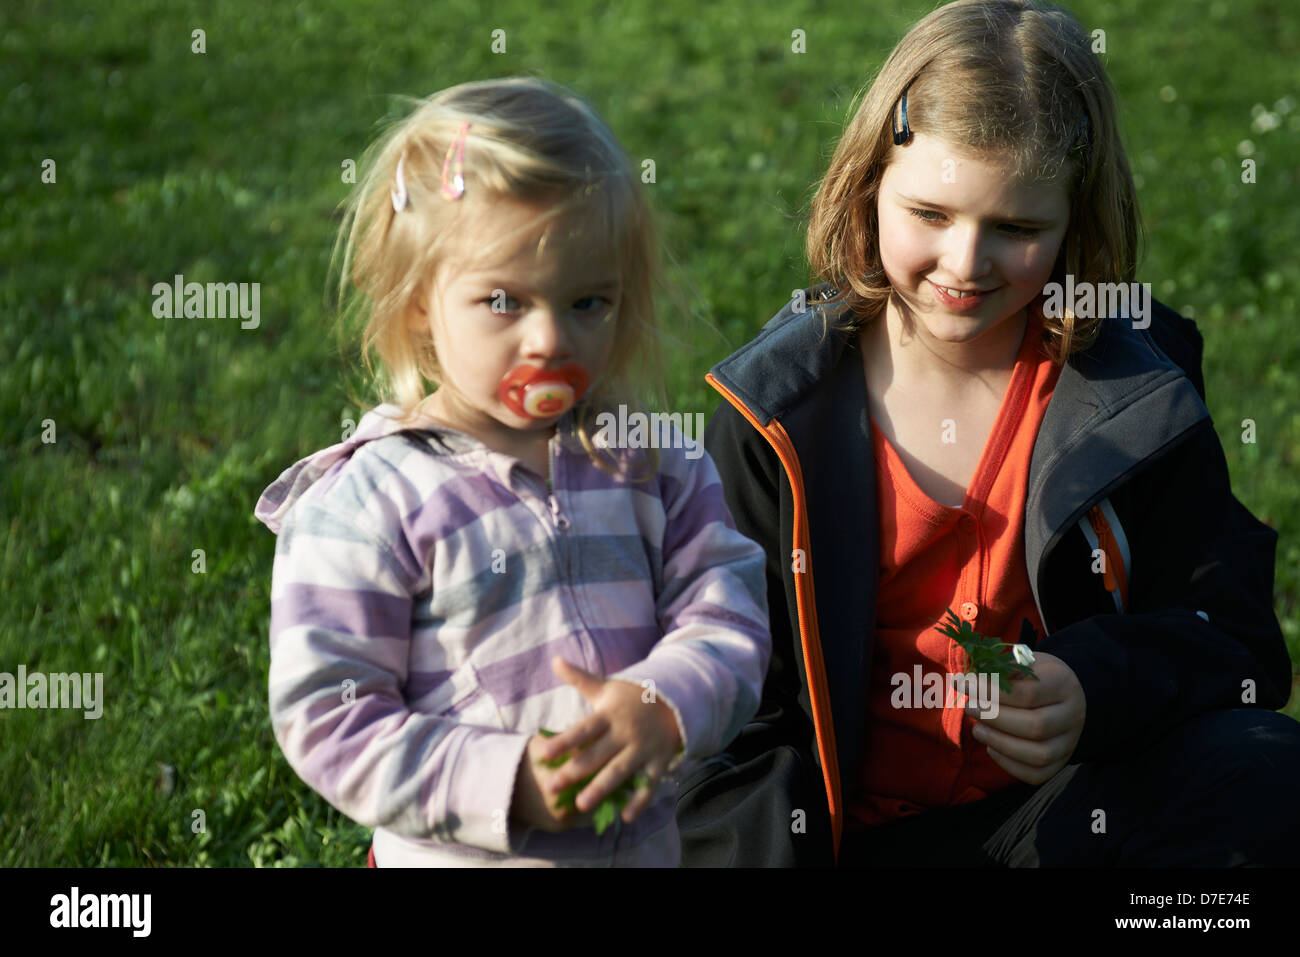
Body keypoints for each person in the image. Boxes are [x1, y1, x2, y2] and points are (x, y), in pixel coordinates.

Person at [678, 0, 1300, 867]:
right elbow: (730, 714)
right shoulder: (772, 418)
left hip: (1052, 825)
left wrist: (1093, 683)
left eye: (1016, 229)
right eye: (930, 214)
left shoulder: (1136, 392)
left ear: (1075, 225)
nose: (966, 266)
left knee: (1263, 771)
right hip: (839, 845)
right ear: (867, 188)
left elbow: (1236, 644)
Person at [253, 76, 770, 867]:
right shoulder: (368, 501)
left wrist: (662, 701)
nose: (548, 339)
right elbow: (329, 713)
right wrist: (506, 782)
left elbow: (728, 612)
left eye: (588, 302)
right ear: (421, 299)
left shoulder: (655, 461)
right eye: (503, 300)